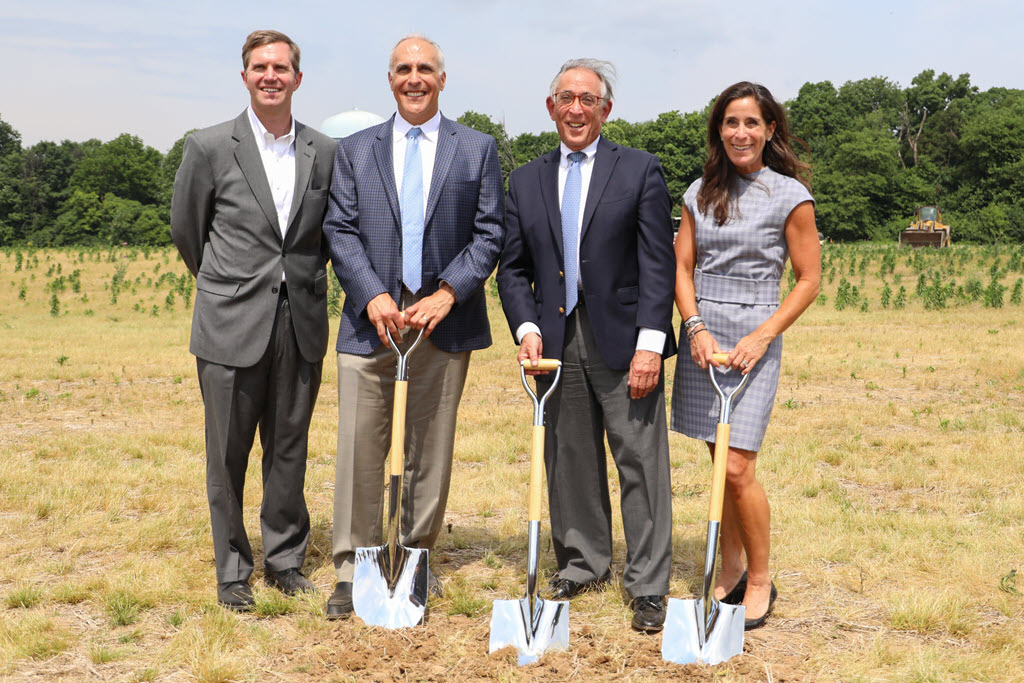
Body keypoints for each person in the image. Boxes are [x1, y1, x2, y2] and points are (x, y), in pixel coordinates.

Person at [322, 34, 504, 619]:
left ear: (442, 80)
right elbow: (339, 230)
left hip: (440, 327)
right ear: (390, 79)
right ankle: (355, 566)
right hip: (368, 323)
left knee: (431, 447)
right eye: (403, 68)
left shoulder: (476, 149)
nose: (414, 78)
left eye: (425, 68)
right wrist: (373, 293)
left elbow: (490, 233)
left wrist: (448, 292)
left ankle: (416, 557)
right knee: (359, 446)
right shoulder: (354, 150)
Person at [496, 59, 676, 633]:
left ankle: (648, 585)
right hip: (554, 340)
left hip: (627, 343)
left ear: (606, 110)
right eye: (566, 98)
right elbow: (512, 269)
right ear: (551, 107)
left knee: (640, 463)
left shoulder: (640, 170)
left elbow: (657, 263)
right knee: (568, 458)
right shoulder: (524, 181)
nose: (577, 109)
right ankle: (583, 562)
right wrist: (526, 329)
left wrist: (652, 342)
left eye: (588, 100)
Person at [170, 30, 337, 610]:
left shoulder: (324, 151)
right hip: (229, 325)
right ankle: (232, 570)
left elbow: (325, 237)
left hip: (302, 325)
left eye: (281, 67)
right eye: (260, 67)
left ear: (297, 77)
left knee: (289, 447)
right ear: (244, 76)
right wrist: (232, 288)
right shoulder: (209, 146)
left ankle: (285, 560)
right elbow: (189, 232)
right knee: (228, 452)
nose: (271, 76)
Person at [671, 81, 821, 630]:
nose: (741, 132)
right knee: (719, 462)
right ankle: (728, 566)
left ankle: (759, 579)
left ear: (770, 129)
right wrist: (694, 328)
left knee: (738, 467)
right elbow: (681, 269)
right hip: (704, 339)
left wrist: (762, 336)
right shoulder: (698, 192)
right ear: (719, 130)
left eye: (751, 123)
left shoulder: (789, 196)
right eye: (731, 122)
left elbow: (808, 279)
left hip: (754, 337)